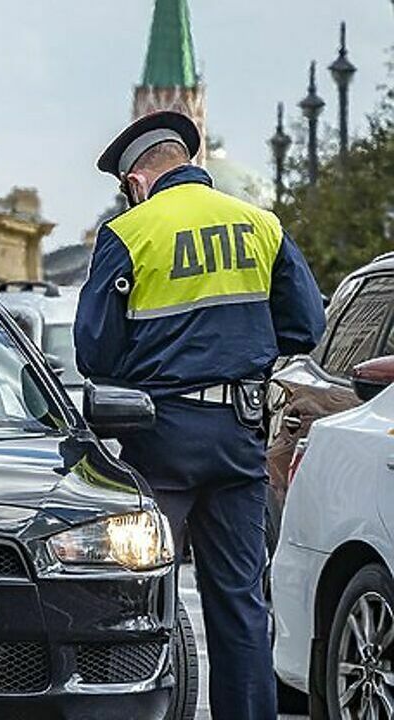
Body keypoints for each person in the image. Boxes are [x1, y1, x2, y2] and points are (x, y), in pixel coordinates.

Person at [74, 111, 325, 720]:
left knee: (136, 594)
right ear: (188, 158)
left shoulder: (131, 232)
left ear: (136, 179)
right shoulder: (260, 224)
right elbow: (307, 325)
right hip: (241, 435)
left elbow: (94, 351)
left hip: (161, 435)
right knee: (240, 601)